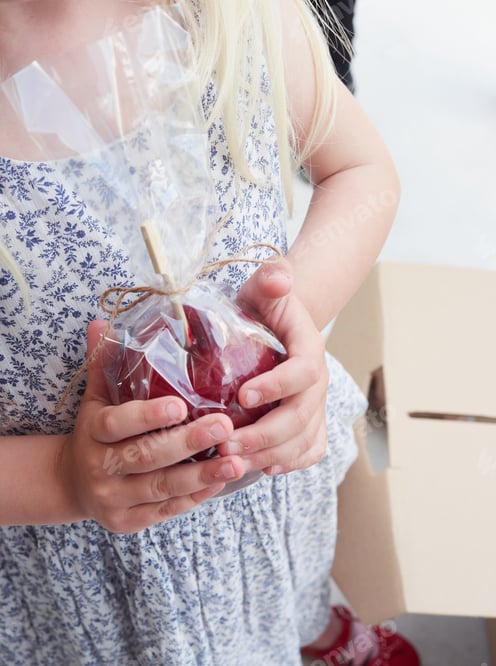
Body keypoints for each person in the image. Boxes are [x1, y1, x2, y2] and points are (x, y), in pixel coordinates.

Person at [0, 1, 419, 664]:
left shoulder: (234, 14)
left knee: (287, 588)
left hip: (269, 492)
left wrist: (287, 324)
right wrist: (64, 477)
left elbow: (362, 174)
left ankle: (314, 631)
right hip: (86, 569)